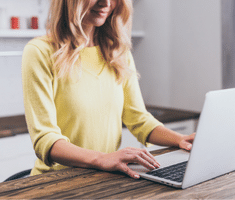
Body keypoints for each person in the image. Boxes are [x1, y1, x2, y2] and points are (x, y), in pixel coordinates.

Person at [22, 0, 195, 179]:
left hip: (103, 178)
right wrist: (102, 158)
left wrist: (180, 139)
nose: (106, 3)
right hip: (56, 181)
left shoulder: (118, 51)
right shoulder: (40, 52)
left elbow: (139, 119)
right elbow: (45, 138)